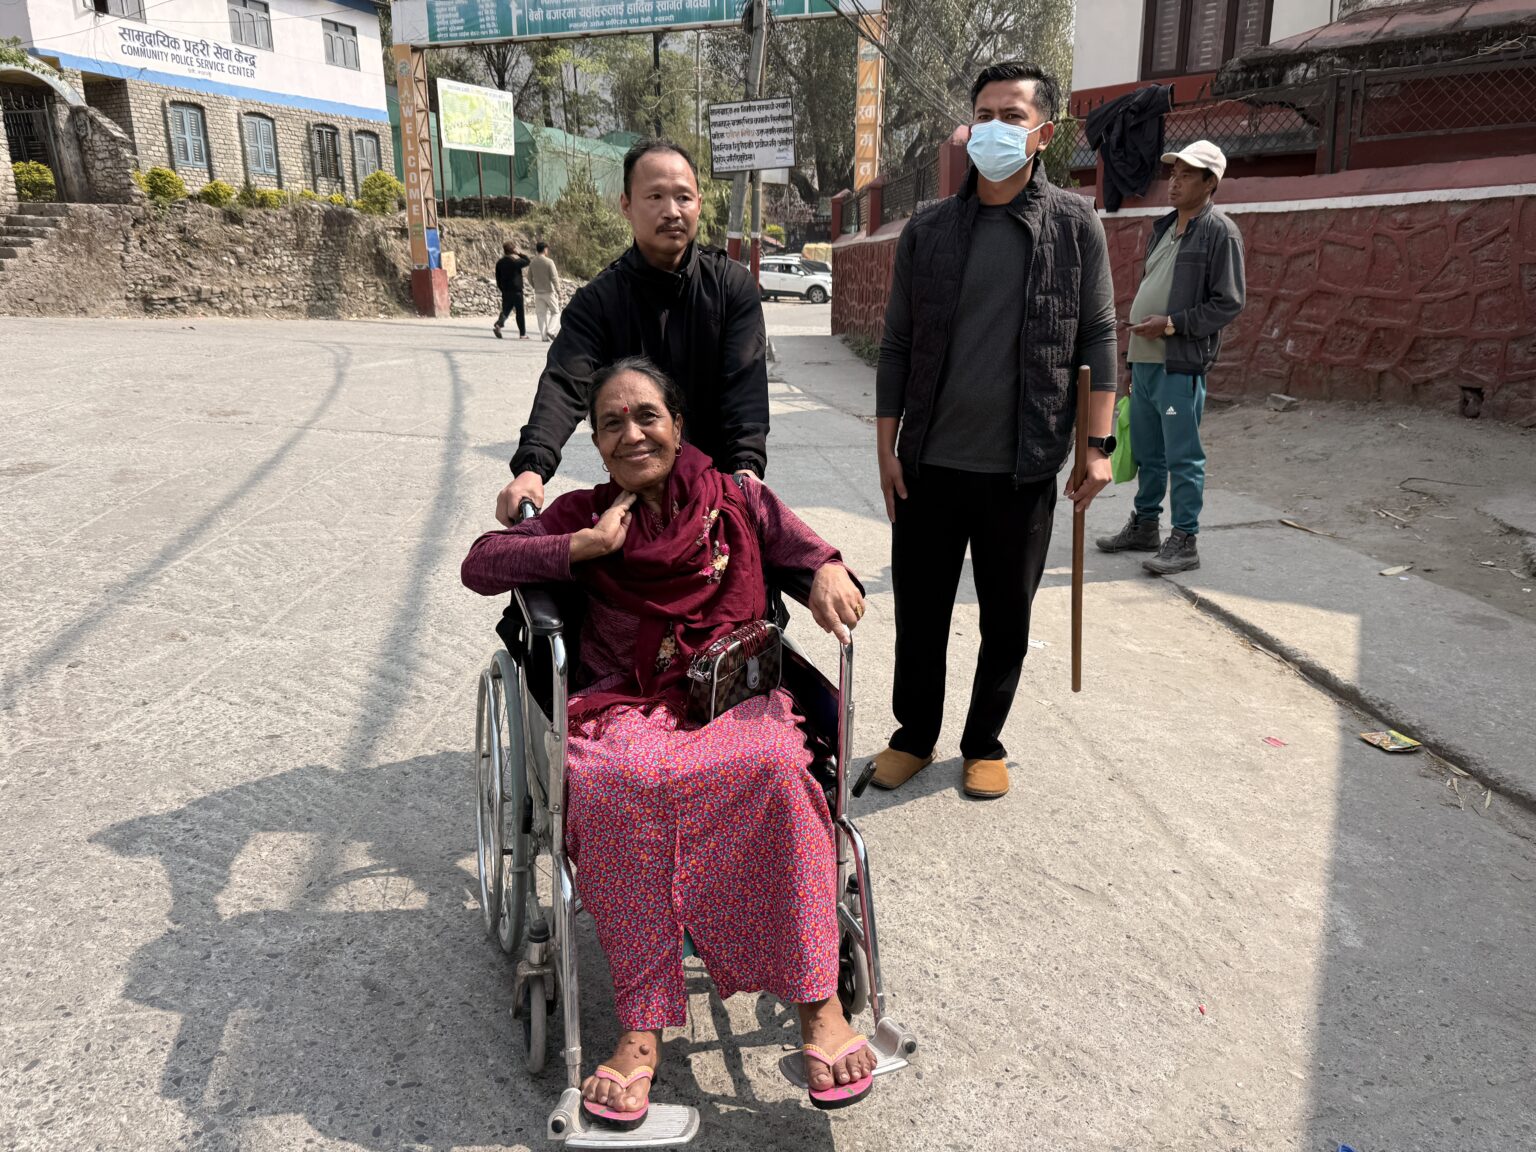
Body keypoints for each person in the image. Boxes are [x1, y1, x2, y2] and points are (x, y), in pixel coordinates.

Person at [462, 358, 876, 1127]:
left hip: (729, 700)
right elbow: (482, 562)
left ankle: (818, 1004)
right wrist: (581, 547)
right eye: (611, 423)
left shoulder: (738, 500)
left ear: (678, 425)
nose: (632, 433)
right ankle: (642, 1027)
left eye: (647, 415)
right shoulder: (586, 513)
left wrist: (824, 571)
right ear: (596, 442)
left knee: (777, 766)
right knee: (616, 782)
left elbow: (806, 549)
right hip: (626, 706)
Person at [868, 62, 1119, 801]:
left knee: (1007, 618)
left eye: (1012, 116)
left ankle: (984, 742)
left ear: (1043, 133)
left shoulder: (1074, 225)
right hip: (929, 464)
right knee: (921, 614)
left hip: (1023, 466)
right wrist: (885, 448)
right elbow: (897, 344)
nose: (995, 128)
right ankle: (914, 736)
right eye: (984, 114)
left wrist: (1098, 447)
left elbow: (1099, 336)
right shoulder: (930, 230)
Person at [493, 138, 768, 527]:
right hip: (636, 500)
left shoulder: (732, 287)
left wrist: (746, 468)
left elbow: (745, 389)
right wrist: (531, 469)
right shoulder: (598, 302)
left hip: (720, 497)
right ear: (626, 204)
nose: (671, 211)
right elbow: (565, 383)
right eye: (655, 196)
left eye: (683, 197)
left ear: (699, 204)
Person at [1096, 140, 1246, 575]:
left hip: (1179, 363)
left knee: (1182, 455)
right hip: (1144, 361)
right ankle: (1145, 525)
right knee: (1147, 451)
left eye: (1186, 175)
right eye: (1173, 174)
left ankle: (1185, 539)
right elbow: (1150, 289)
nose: (1174, 182)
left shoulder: (1220, 232)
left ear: (1210, 182)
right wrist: (1131, 362)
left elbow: (1228, 302)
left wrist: (1172, 324)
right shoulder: (1163, 228)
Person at [494, 241, 531, 340]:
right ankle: (522, 334)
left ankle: (498, 324)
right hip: (516, 290)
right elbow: (527, 261)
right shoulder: (515, 262)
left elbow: (498, 278)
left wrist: (502, 288)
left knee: (506, 310)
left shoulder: (499, 263)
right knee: (520, 312)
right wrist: (519, 253)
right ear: (513, 250)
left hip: (505, 290)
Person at [528, 241, 560, 341]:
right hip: (549, 291)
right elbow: (554, 277)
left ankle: (544, 337)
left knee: (541, 314)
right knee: (555, 312)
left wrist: (535, 286)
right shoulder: (549, 262)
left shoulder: (533, 262)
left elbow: (529, 277)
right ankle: (551, 330)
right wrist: (558, 290)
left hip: (538, 292)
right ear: (545, 249)